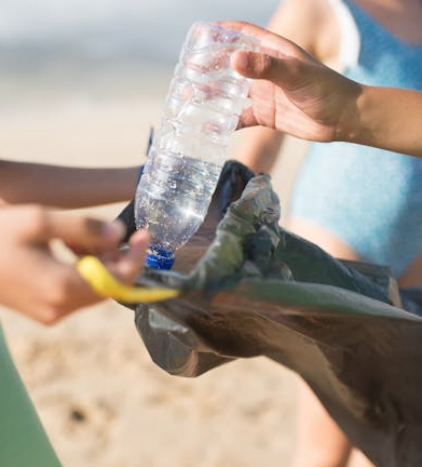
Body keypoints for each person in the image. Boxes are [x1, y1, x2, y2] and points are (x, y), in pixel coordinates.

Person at [222, 4, 422, 466]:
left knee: (398, 426)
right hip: (337, 235)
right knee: (328, 440)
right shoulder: (319, 9)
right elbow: (264, 122)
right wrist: (233, 212)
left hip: (416, 243)